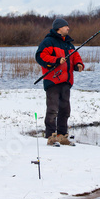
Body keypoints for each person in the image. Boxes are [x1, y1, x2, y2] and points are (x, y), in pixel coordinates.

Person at [35, 17, 84, 145]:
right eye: (66, 26)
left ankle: (62, 136)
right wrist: (56, 60)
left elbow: (75, 56)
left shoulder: (68, 43)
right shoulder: (49, 41)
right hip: (52, 81)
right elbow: (40, 56)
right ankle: (51, 137)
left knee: (65, 110)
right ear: (59, 28)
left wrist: (78, 64)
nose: (68, 28)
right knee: (52, 109)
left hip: (66, 82)